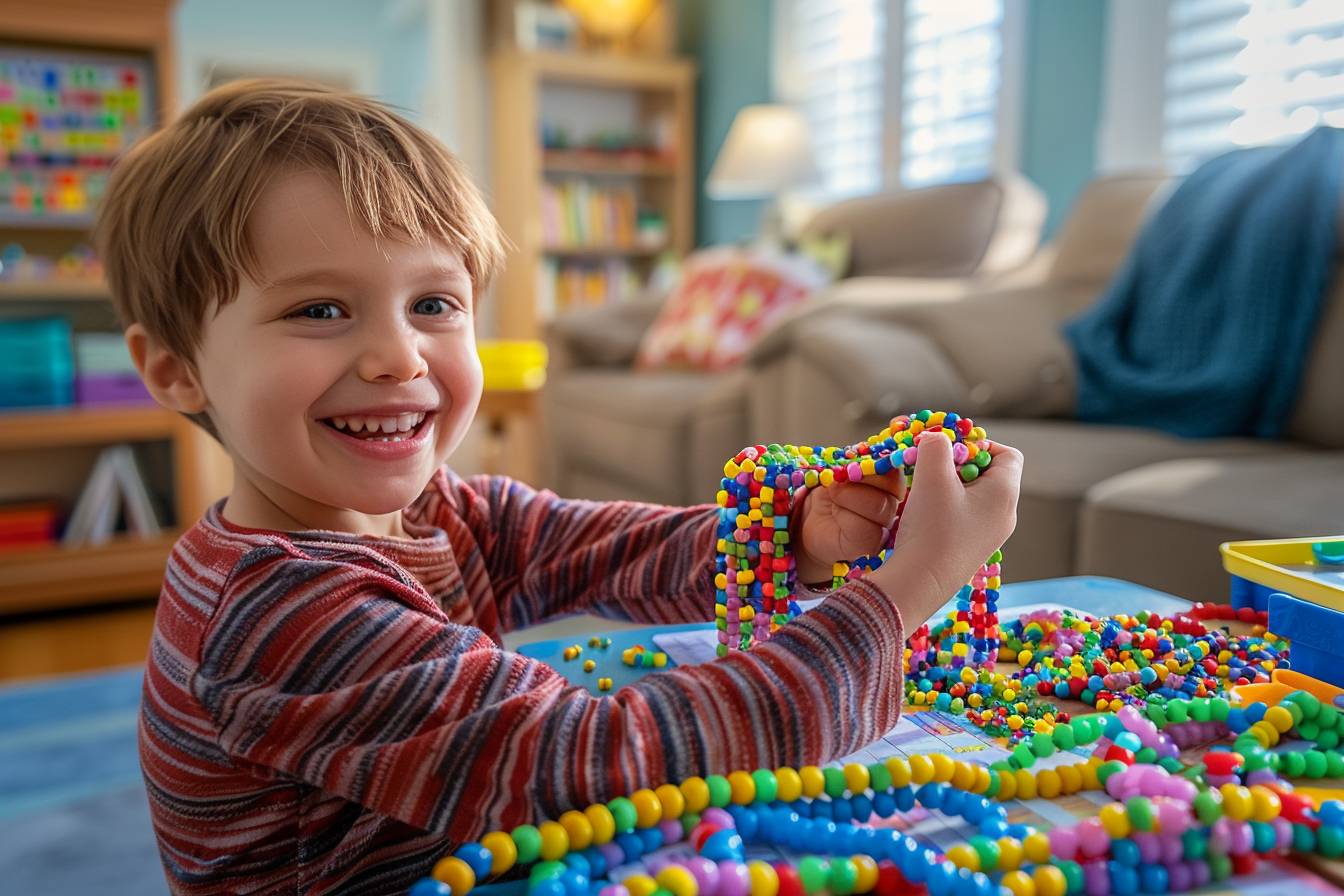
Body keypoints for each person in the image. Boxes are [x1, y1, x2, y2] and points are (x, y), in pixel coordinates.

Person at [98, 79, 1023, 895]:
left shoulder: (433, 510)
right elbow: (605, 762)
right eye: (318, 310)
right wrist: (905, 596)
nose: (397, 356)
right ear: (178, 369)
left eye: (433, 304)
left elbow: (607, 546)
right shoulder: (276, 606)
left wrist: (804, 530)